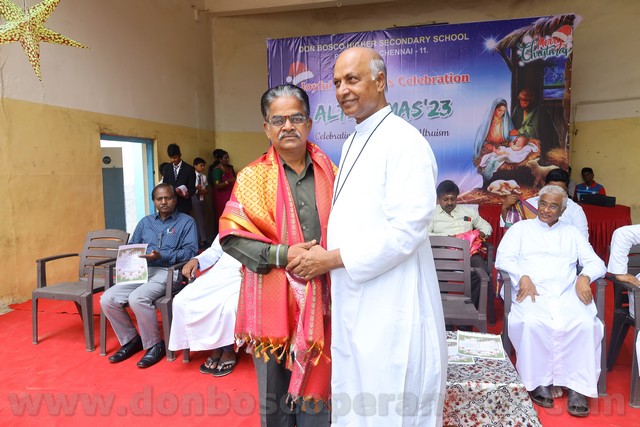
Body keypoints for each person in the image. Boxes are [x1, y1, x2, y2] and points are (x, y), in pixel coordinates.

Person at [288, 47, 447, 426]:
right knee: (357, 398)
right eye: (337, 82)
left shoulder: (405, 142)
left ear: (380, 80)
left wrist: (331, 259)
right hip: (354, 295)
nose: (342, 90)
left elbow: (407, 230)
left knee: (391, 400)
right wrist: (320, 251)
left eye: (352, 79)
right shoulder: (353, 140)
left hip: (392, 300)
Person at [219, 84, 336, 426]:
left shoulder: (333, 172)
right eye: (278, 120)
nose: (288, 126)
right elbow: (231, 238)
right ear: (266, 127)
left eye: (296, 118)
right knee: (274, 394)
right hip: (272, 303)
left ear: (309, 123)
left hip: (325, 298)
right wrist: (284, 254)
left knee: (321, 388)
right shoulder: (251, 177)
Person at [496, 185, 606, 418]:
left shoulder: (572, 233)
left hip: (566, 293)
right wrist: (522, 276)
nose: (546, 210)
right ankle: (538, 382)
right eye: (543, 204)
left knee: (584, 324)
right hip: (531, 291)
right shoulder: (521, 229)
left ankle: (578, 387)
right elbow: (503, 258)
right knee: (533, 322)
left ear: (563, 210)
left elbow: (596, 262)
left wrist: (585, 277)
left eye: (553, 206)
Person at [101, 183, 198, 368]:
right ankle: (131, 339)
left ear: (175, 200)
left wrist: (161, 255)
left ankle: (155, 344)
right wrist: (125, 261)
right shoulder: (145, 222)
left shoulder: (186, 222)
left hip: (169, 272)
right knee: (107, 299)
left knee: (137, 298)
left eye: (168, 198)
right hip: (142, 271)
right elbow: (133, 247)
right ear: (154, 201)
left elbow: (190, 252)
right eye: (159, 199)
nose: (164, 202)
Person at [168, 235, 242, 377]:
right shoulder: (229, 223)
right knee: (181, 300)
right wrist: (196, 260)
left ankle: (227, 350)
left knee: (227, 307)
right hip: (220, 271)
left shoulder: (264, 223)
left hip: (244, 272)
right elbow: (215, 250)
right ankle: (215, 346)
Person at [429, 180, 492, 309]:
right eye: (445, 199)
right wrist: (447, 238)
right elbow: (425, 234)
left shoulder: (468, 212)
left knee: (481, 272)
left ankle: (472, 309)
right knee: (436, 274)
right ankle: (442, 311)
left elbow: (487, 227)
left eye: (452, 199)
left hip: (468, 253)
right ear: (438, 199)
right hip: (443, 254)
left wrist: (480, 234)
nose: (449, 203)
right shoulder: (431, 215)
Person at [500, 168, 589, 240]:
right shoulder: (529, 204)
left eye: (559, 190)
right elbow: (512, 227)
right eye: (551, 188)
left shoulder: (575, 209)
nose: (554, 193)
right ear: (544, 186)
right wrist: (505, 208)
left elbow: (582, 239)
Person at [511, 88, 559, 155]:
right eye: (521, 100)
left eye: (525, 101)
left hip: (536, 145)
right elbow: (512, 126)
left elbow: (536, 131)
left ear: (531, 101)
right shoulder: (518, 110)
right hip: (520, 143)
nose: (522, 103)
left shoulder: (540, 111)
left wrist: (519, 132)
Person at [162, 144, 196, 214]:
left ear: (180, 155)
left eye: (175, 157)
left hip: (184, 205)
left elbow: (192, 189)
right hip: (169, 205)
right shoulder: (166, 168)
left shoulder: (189, 169)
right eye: (171, 158)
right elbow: (165, 185)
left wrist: (186, 194)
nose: (173, 160)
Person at [208, 148, 236, 236]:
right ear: (220, 159)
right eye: (225, 158)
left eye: (228, 158)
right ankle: (221, 235)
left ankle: (230, 235)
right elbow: (217, 186)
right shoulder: (217, 170)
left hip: (230, 196)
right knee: (222, 216)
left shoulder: (229, 168)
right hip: (221, 197)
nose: (227, 160)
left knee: (231, 216)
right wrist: (228, 181)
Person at [191, 157, 209, 249]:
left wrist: (202, 191)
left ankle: (203, 239)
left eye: (203, 166)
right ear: (195, 166)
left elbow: (206, 189)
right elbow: (192, 189)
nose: (203, 167)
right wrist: (198, 190)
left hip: (202, 197)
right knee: (199, 219)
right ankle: (202, 240)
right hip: (194, 198)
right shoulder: (191, 176)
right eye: (201, 165)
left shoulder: (204, 177)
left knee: (203, 218)